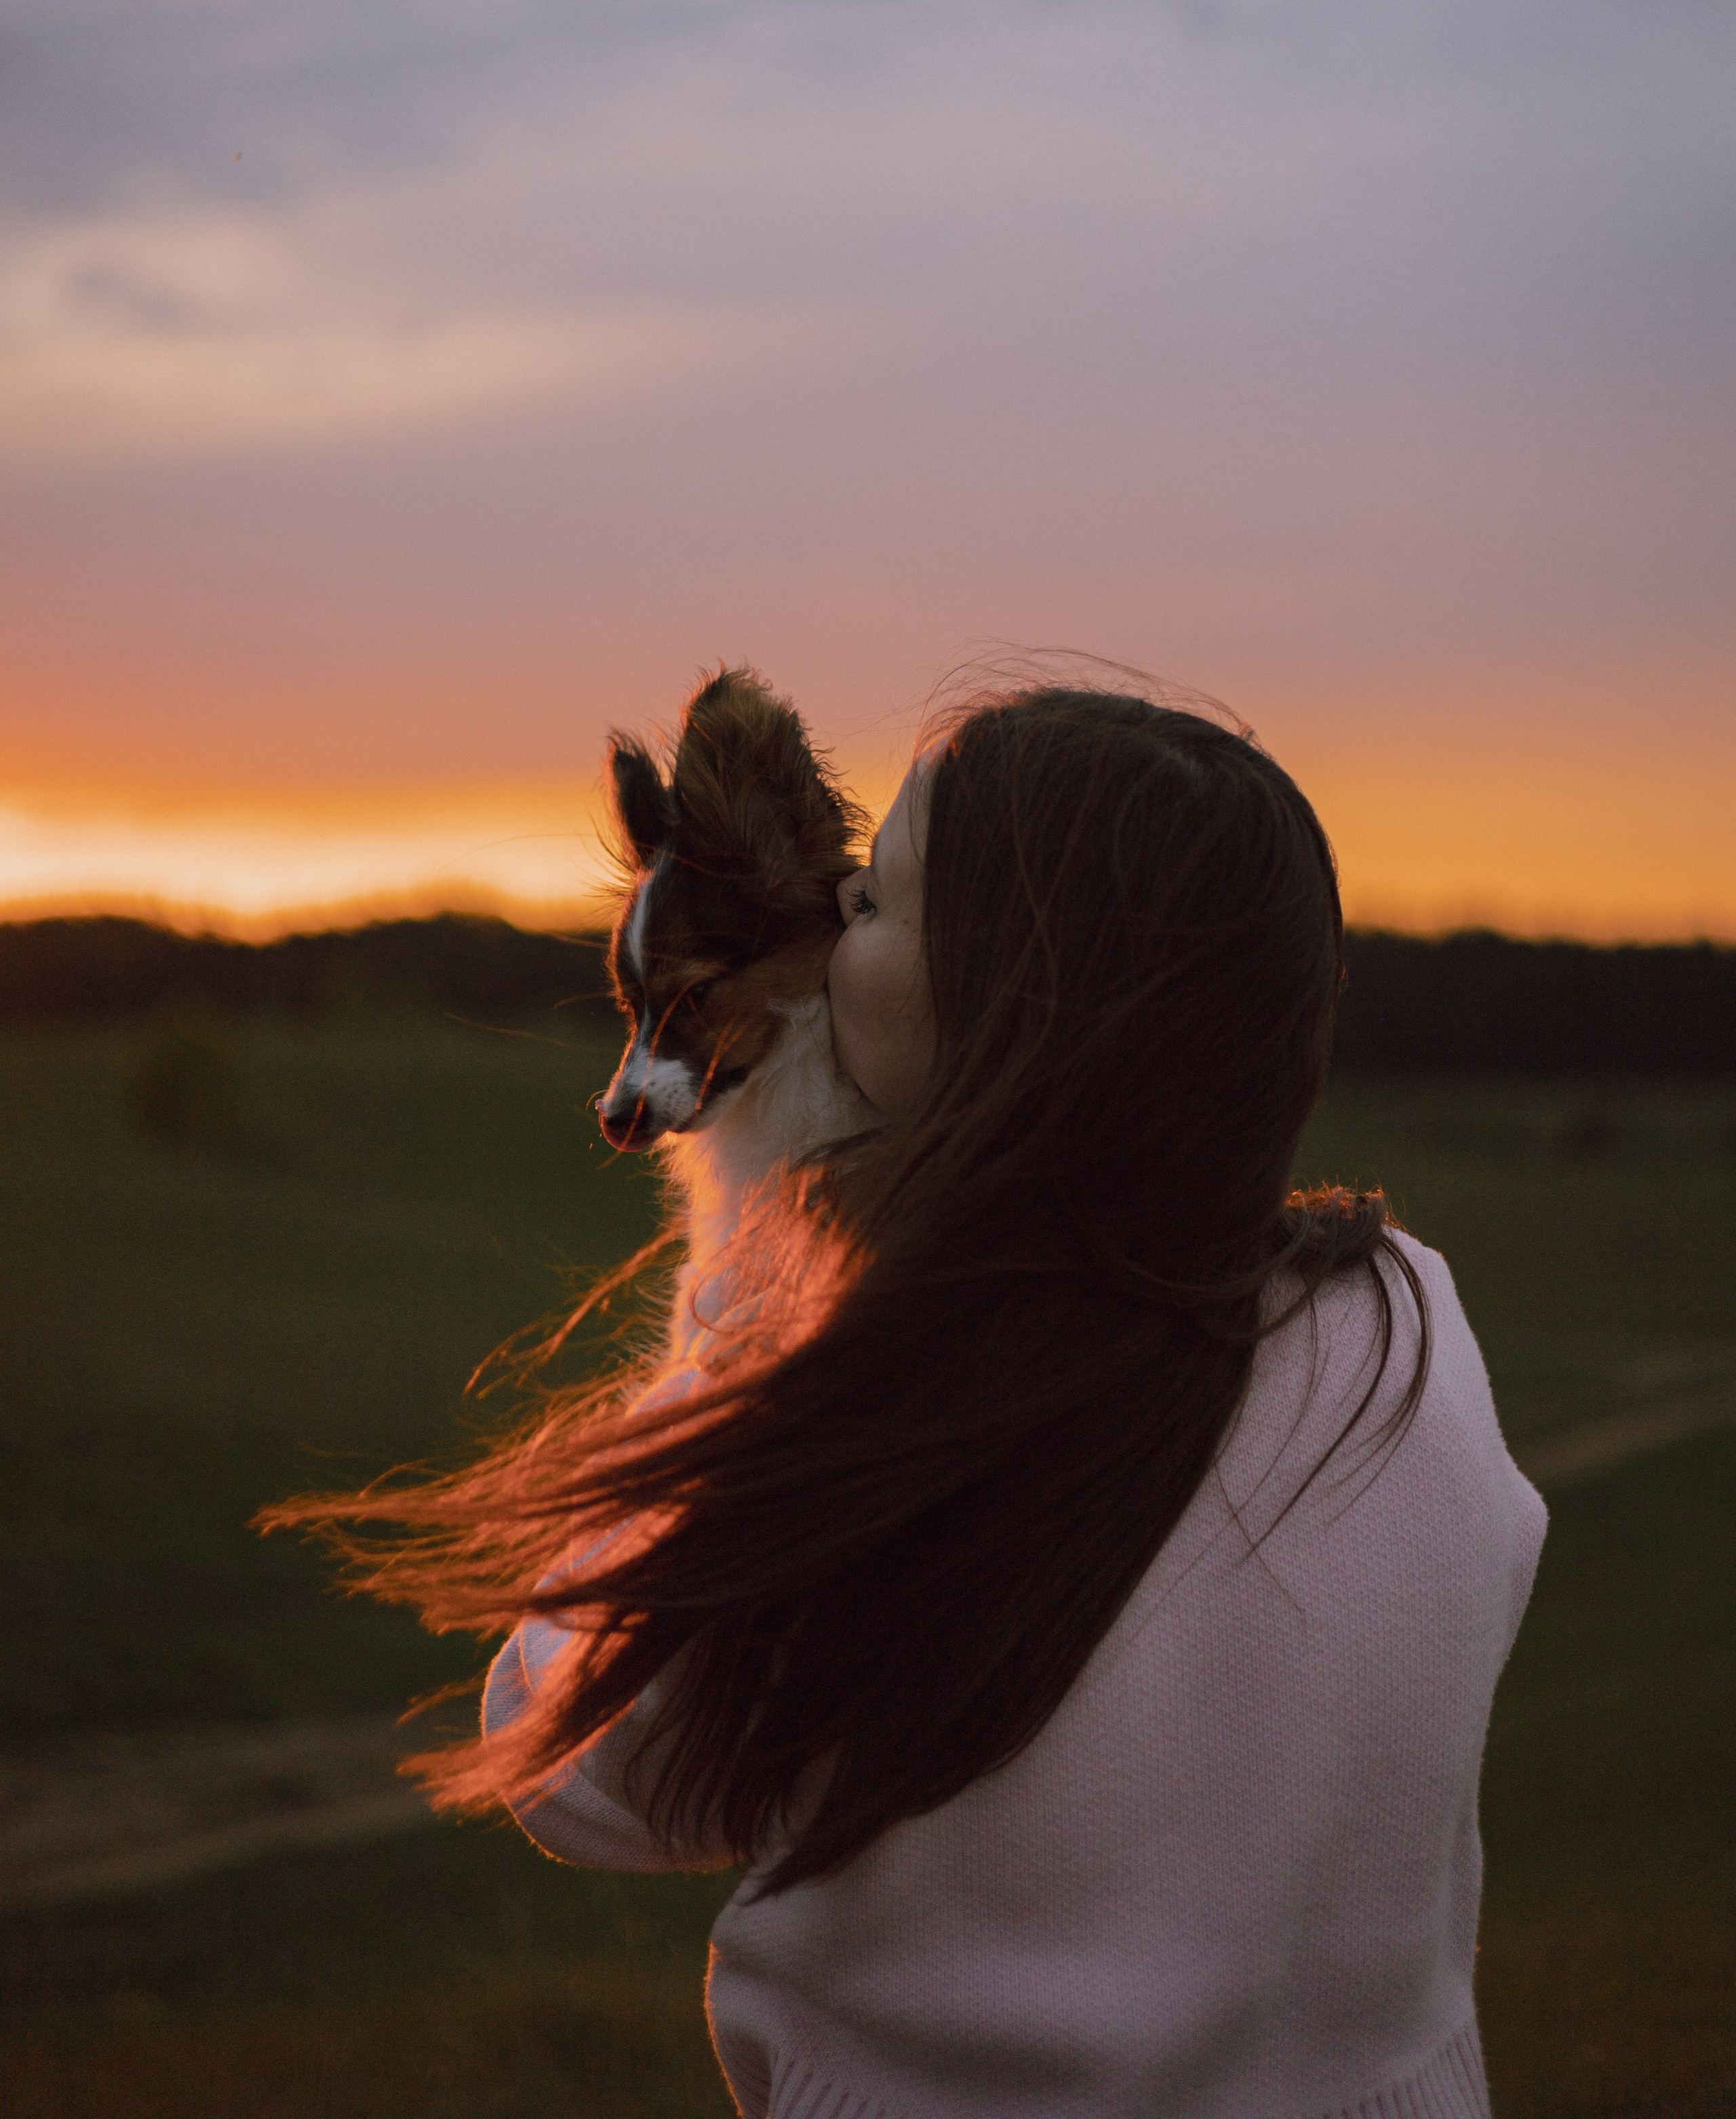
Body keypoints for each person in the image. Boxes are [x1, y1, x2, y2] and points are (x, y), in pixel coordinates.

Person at [286, 683, 1546, 2119]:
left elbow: (575, 1770)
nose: (829, 925)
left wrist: (751, 1325)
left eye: (873, 899)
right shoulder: (1404, 1316)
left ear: (1010, 995)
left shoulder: (861, 1395)